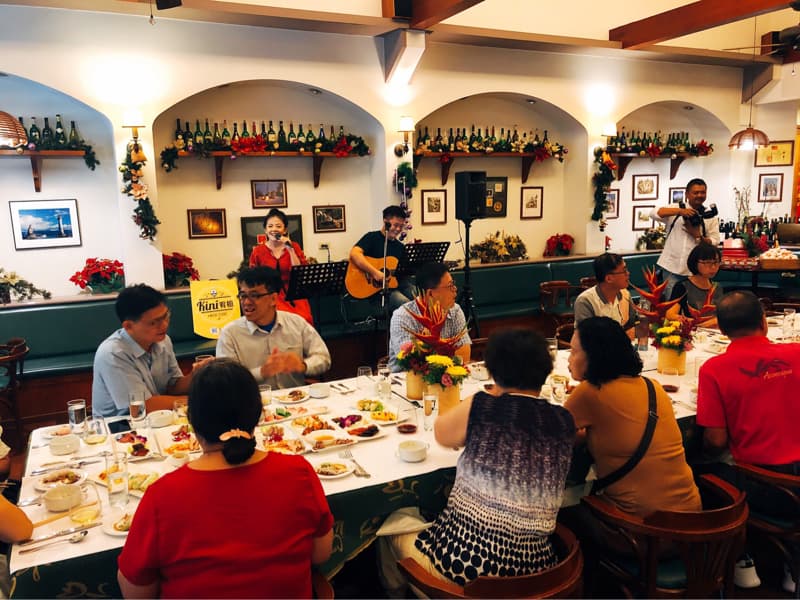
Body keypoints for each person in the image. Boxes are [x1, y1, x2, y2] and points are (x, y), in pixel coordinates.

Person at [117, 359, 333, 598]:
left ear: (192, 421)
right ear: (258, 413)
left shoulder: (163, 496)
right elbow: (321, 554)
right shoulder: (298, 472)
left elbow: (135, 593)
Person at [381, 328, 575, 590]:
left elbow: (442, 434)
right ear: (545, 371)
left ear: (493, 371)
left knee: (392, 525)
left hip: (465, 573)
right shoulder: (563, 421)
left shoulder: (482, 405)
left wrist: (491, 395)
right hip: (536, 574)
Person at [697, 290, 800, 592]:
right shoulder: (797, 352)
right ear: (764, 322)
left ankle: (741, 557)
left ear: (722, 330)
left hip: (767, 486)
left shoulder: (715, 370)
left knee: (701, 470)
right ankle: (792, 564)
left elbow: (715, 442)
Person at [564, 317, 701, 517]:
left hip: (641, 529)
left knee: (566, 517)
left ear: (595, 356)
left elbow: (549, 437)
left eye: (574, 351)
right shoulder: (652, 386)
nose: (569, 358)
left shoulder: (590, 392)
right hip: (695, 518)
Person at [92, 284, 199, 418]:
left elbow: (172, 386)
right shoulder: (113, 353)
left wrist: (196, 375)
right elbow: (141, 407)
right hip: (119, 427)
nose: (164, 325)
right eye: (154, 322)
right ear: (128, 326)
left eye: (166, 316)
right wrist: (197, 401)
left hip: (158, 418)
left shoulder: (163, 341)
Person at [216, 267, 330, 389]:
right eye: (243, 296)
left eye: (254, 295)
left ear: (273, 299)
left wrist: (303, 365)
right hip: (252, 403)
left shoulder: (296, 323)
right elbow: (226, 379)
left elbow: (323, 358)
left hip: (296, 400)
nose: (246, 302)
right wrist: (261, 372)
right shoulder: (229, 333)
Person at [388, 262, 471, 372]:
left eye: (453, 284)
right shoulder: (402, 317)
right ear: (430, 293)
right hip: (405, 382)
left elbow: (464, 355)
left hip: (446, 380)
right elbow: (412, 362)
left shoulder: (455, 310)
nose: (455, 289)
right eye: (450, 286)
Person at [650, 178, 720, 298]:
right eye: (695, 192)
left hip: (696, 272)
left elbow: (714, 241)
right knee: (670, 303)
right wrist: (681, 211)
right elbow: (654, 213)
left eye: (702, 192)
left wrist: (698, 236)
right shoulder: (675, 209)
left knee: (692, 304)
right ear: (687, 194)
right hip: (672, 267)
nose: (699, 195)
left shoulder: (709, 215)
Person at [248, 208, 313, 325]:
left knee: (304, 319)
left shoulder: (294, 247)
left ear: (284, 230)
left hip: (292, 294)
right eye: (270, 226)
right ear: (265, 230)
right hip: (269, 294)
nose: (274, 229)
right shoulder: (258, 251)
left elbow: (299, 271)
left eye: (278, 226)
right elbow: (252, 278)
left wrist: (290, 249)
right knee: (279, 321)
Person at [349, 205, 413, 313]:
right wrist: (374, 272)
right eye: (395, 225)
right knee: (404, 304)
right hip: (376, 292)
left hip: (395, 286)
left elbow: (402, 273)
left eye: (401, 226)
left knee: (421, 298)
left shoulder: (400, 247)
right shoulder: (371, 238)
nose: (398, 229)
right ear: (386, 222)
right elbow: (354, 254)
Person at [573, 253, 637, 338]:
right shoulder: (585, 301)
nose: (628, 273)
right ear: (609, 278)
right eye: (624, 271)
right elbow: (587, 338)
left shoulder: (625, 295)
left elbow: (632, 324)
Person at [667, 242, 724, 328]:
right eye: (707, 263)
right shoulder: (683, 286)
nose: (713, 267)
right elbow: (670, 314)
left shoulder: (717, 287)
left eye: (716, 262)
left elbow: (723, 315)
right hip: (694, 332)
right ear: (695, 263)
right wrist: (693, 322)